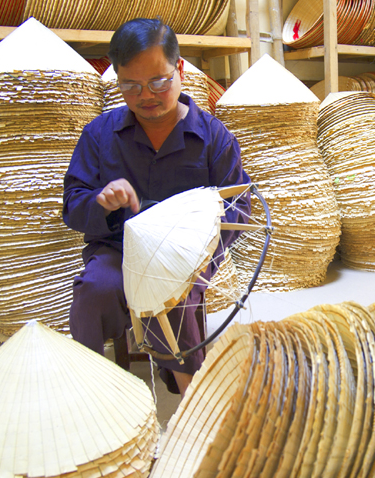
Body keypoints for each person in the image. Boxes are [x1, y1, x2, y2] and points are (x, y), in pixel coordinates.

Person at [63, 17, 251, 397]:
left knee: (171, 297)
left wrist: (198, 255)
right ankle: (91, 391)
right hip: (117, 250)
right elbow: (72, 204)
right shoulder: (99, 134)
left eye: (158, 82)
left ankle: (191, 396)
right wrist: (102, 203)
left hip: (188, 255)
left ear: (179, 69)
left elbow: (239, 207)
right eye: (130, 86)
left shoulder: (213, 137)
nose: (145, 95)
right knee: (94, 290)